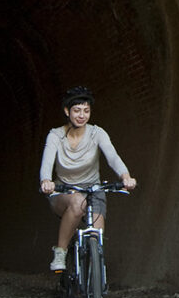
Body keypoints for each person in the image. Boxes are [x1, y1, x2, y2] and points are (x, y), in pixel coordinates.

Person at [39, 86, 136, 276]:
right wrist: (46, 181)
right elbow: (47, 163)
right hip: (64, 191)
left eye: (86, 110)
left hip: (93, 190)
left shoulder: (96, 133)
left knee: (96, 241)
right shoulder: (56, 136)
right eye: (77, 110)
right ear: (67, 111)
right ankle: (61, 252)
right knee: (76, 203)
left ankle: (95, 294)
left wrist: (125, 176)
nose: (82, 115)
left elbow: (113, 156)